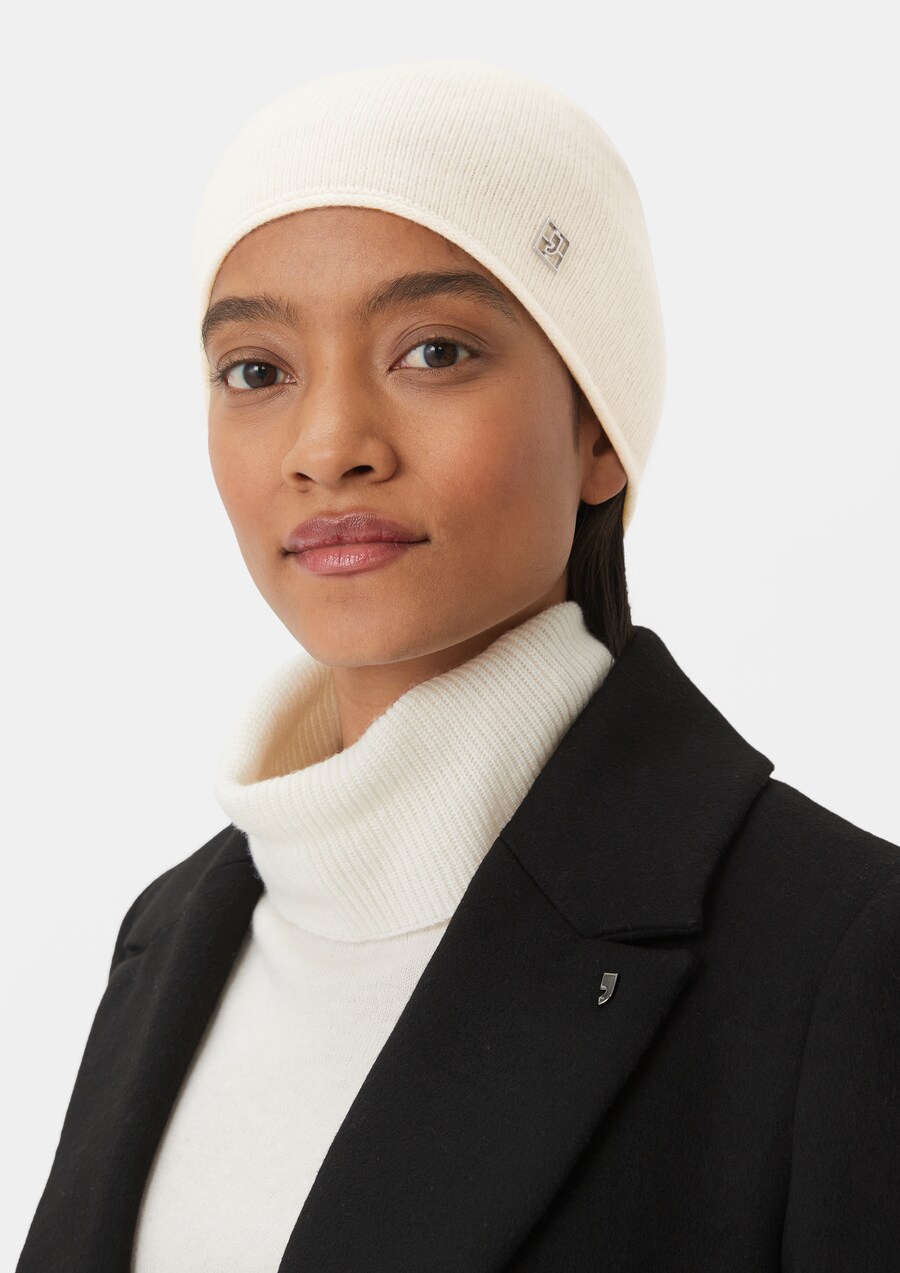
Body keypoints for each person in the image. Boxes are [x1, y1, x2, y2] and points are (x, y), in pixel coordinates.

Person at [17, 59, 900, 1273]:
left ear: (598, 427)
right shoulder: (169, 935)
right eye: (257, 371)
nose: (330, 447)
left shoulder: (842, 955)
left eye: (433, 351)